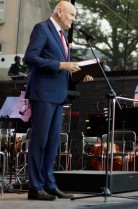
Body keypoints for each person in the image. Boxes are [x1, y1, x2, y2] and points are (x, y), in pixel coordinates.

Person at [24, 1, 93, 201]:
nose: (74, 19)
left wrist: (80, 75)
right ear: (60, 11)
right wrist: (60, 64)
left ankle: (49, 184)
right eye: (72, 15)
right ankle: (35, 187)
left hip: (58, 95)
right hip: (43, 94)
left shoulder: (62, 36)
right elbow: (30, 57)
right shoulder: (42, 28)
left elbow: (64, 69)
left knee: (53, 142)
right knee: (40, 141)